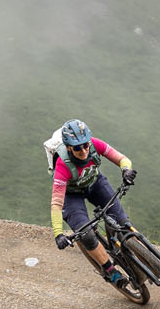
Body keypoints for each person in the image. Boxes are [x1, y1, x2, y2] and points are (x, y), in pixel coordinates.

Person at [44, 118, 138, 288]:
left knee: (123, 221)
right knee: (86, 234)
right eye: (77, 148)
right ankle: (110, 271)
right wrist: (58, 234)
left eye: (85, 145)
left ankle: (140, 253)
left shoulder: (95, 144)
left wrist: (126, 170)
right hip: (72, 196)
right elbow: (57, 204)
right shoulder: (62, 165)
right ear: (68, 148)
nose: (83, 150)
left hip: (95, 183)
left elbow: (121, 158)